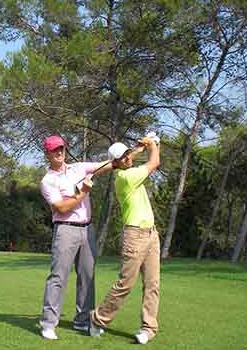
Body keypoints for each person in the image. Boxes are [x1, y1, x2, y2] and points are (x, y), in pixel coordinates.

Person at [39, 135, 113, 340]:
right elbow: (61, 208)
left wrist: (128, 153)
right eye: (55, 150)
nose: (59, 152)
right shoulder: (48, 180)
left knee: (87, 277)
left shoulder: (78, 168)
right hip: (65, 229)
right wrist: (83, 193)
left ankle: (82, 321)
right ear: (48, 154)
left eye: (61, 148)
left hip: (87, 229)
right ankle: (48, 323)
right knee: (58, 277)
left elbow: (104, 165)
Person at [89, 135, 161, 345]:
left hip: (151, 234)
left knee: (152, 284)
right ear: (116, 163)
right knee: (125, 284)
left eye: (127, 154)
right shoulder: (125, 178)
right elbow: (154, 162)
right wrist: (153, 144)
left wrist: (140, 147)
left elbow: (133, 155)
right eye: (123, 157)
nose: (127, 158)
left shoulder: (129, 167)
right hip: (135, 236)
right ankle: (97, 319)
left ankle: (148, 328)